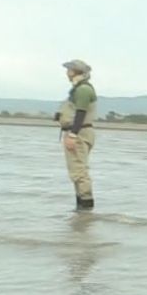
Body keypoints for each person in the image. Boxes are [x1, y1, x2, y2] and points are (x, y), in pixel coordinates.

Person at [56, 60, 98, 210]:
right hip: (78, 132)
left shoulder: (83, 89)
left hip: (79, 133)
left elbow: (81, 112)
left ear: (75, 71)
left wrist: (73, 135)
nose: (67, 72)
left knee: (79, 172)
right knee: (76, 172)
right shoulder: (78, 89)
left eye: (69, 70)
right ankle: (81, 213)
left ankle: (86, 208)